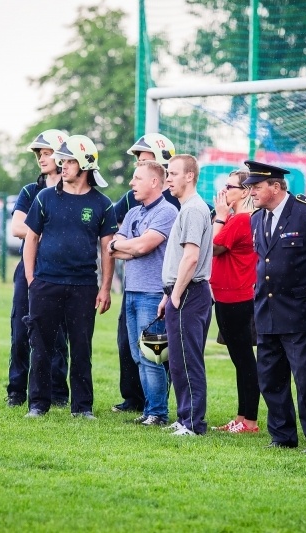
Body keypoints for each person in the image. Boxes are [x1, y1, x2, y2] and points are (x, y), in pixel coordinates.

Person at [23, 135, 117, 419]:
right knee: (41, 347)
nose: (62, 165)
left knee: (81, 348)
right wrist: (31, 280)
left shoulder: (103, 204)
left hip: (83, 286)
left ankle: (83, 407)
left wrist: (105, 288)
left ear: (86, 163)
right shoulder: (44, 197)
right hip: (46, 283)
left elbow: (107, 249)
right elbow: (31, 239)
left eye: (70, 160)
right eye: (61, 160)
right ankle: (38, 404)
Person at [244, 160, 306, 454]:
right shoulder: (257, 218)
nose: (252, 192)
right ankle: (282, 436)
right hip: (267, 311)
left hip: (301, 312)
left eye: (256, 187)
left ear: (276, 186)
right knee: (270, 378)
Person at [111, 133, 177, 414]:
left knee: (155, 353)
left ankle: (156, 411)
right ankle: (140, 402)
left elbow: (142, 245)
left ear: (156, 177)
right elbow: (117, 247)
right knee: (134, 351)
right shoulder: (133, 208)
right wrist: (126, 246)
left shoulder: (171, 207)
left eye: (142, 164)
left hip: (155, 292)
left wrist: (128, 246)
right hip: (132, 290)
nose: (132, 178)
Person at [5, 129, 71, 408]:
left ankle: (57, 393)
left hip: (59, 271)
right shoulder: (30, 192)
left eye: (47, 153)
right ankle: (16, 391)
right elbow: (17, 227)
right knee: (21, 331)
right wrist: (43, 233)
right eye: (40, 154)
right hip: (29, 267)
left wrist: (41, 232)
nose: (42, 159)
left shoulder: (73, 192)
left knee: (58, 335)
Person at [157, 154, 213, 436]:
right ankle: (185, 418)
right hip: (184, 292)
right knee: (179, 360)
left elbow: (191, 258)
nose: (168, 179)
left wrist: (176, 293)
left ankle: (192, 423)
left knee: (188, 361)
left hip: (190, 293)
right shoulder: (188, 208)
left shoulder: (192, 209)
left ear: (189, 176)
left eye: (173, 173)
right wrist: (169, 295)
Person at [210, 168, 260, 434]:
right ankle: (241, 418)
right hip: (228, 294)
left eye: (230, 187)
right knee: (240, 359)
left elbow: (213, 246)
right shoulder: (236, 218)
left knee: (244, 360)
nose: (224, 192)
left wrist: (219, 216)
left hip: (237, 296)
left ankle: (249, 421)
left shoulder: (240, 219)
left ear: (246, 191)